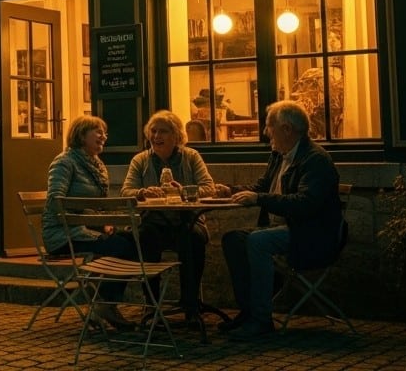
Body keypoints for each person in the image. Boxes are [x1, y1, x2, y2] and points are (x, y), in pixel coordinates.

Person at [219, 99, 344, 340]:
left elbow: (305, 204)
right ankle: (248, 311)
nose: (266, 133)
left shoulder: (315, 160)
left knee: (258, 241)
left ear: (286, 129)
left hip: (311, 234)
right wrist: (230, 190)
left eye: (269, 126)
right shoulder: (279, 155)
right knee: (233, 239)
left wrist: (259, 198)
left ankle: (261, 320)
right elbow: (262, 187)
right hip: (285, 229)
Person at [121, 109, 228, 322]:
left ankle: (190, 304)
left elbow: (209, 187)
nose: (156, 136)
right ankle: (152, 304)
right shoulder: (140, 160)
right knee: (145, 237)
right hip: (155, 222)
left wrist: (183, 191)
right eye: (153, 131)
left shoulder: (191, 157)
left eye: (163, 131)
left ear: (176, 135)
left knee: (193, 238)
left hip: (187, 221)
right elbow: (125, 192)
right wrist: (143, 192)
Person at [42, 113, 139, 331]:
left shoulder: (96, 165)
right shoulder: (64, 162)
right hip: (64, 234)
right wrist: (92, 217)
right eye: (98, 131)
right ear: (81, 135)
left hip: (87, 229)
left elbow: (98, 206)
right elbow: (56, 201)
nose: (104, 136)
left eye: (105, 132)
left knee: (133, 240)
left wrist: (103, 221)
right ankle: (105, 304)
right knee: (122, 247)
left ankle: (104, 303)